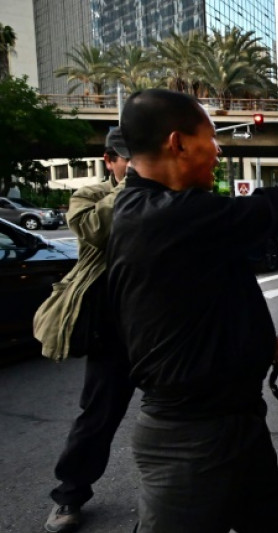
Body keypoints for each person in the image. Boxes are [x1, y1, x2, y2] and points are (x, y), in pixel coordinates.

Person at [107, 88, 278, 533]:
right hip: (190, 442)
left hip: (235, 427)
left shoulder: (165, 214)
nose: (219, 149)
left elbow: (193, 312)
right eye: (210, 137)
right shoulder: (163, 215)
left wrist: (266, 345)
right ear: (178, 143)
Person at [35, 128, 134, 533]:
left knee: (188, 410)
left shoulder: (166, 194)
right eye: (129, 159)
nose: (138, 165)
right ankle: (70, 496)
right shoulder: (91, 196)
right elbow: (95, 230)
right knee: (97, 417)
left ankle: (197, 495)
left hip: (160, 326)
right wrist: (133, 185)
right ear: (109, 160)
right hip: (111, 331)